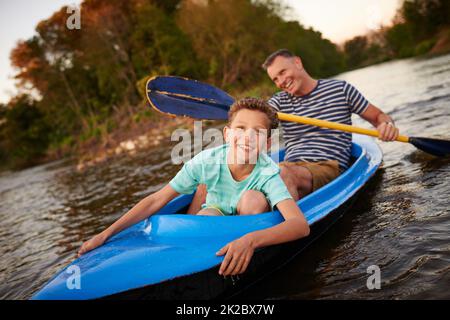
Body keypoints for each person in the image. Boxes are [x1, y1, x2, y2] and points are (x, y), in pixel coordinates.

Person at [78, 97, 310, 276]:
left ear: (267, 143)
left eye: (257, 132)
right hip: (218, 210)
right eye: (241, 128)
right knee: (203, 217)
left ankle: (244, 248)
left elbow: (299, 225)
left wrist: (251, 240)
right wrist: (106, 234)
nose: (248, 137)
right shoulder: (206, 161)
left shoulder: (268, 173)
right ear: (227, 134)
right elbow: (157, 200)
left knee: (251, 199)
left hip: (252, 218)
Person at [263, 49, 399, 200]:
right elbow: (262, 115)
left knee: (281, 174)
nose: (280, 82)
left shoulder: (341, 90)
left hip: (327, 167)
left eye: (282, 72)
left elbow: (379, 116)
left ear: (297, 62)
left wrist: (387, 125)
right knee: (256, 190)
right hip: (290, 167)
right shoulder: (279, 101)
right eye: (275, 79)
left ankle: (294, 222)